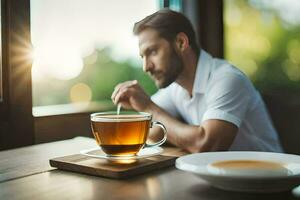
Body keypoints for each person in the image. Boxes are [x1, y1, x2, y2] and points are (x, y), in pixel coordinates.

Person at [111, 9, 283, 153]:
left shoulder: (228, 79)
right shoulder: (175, 88)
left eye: (153, 52)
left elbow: (208, 145)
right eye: (143, 56)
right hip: (224, 182)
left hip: (268, 186)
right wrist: (151, 113)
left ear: (181, 42)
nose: (146, 67)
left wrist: (149, 108)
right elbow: (152, 132)